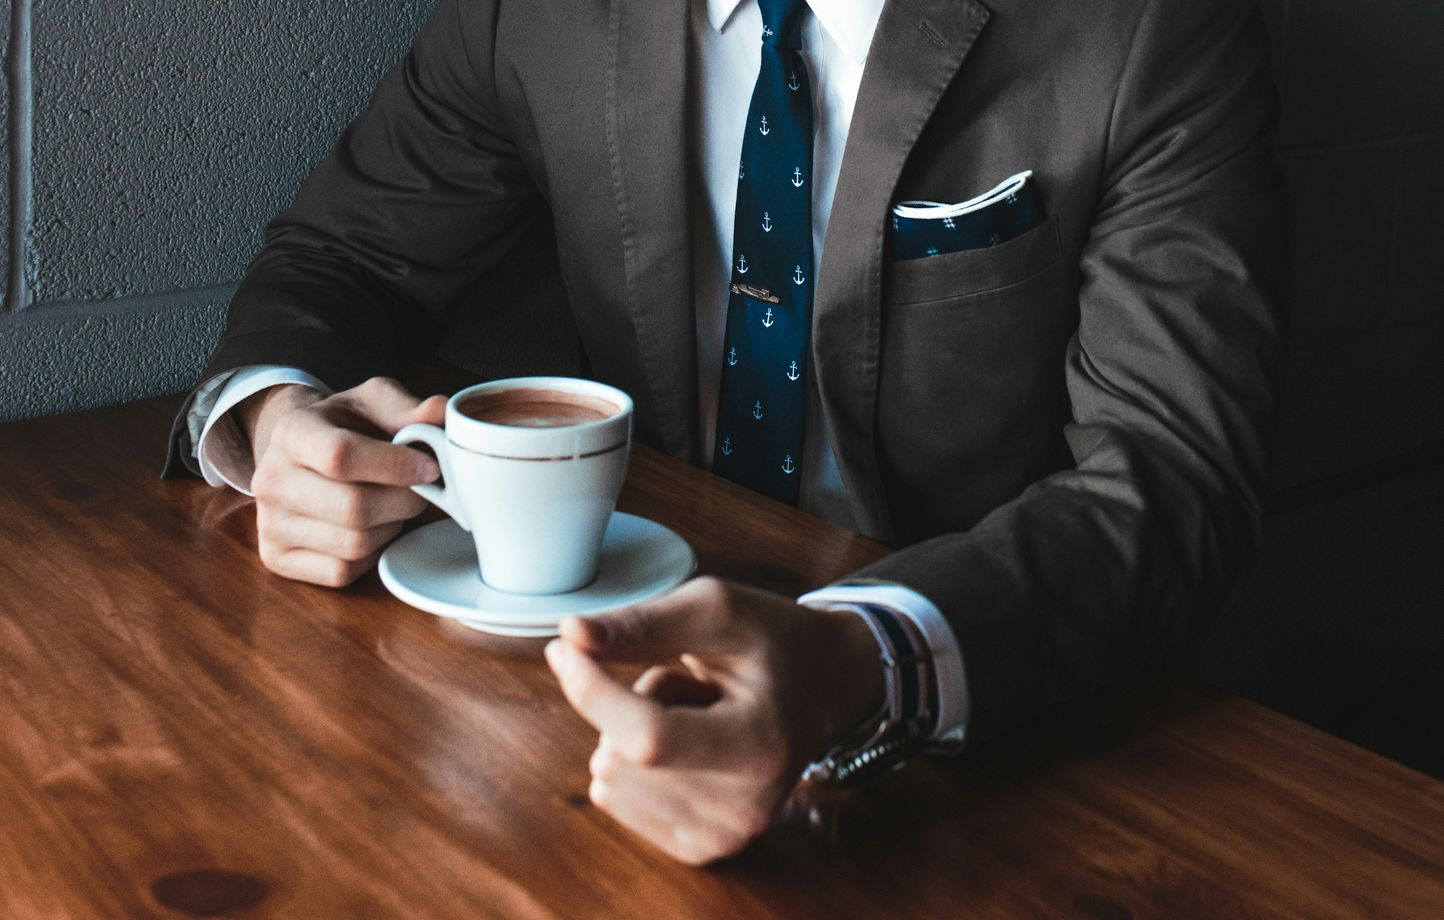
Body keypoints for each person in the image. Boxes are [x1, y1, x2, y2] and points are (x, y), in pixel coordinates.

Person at [165, 0, 1286, 865]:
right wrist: (270, 417)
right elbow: (343, 257)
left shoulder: (1150, 27)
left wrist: (861, 656)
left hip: (999, 744)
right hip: (578, 696)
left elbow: (1169, 474)